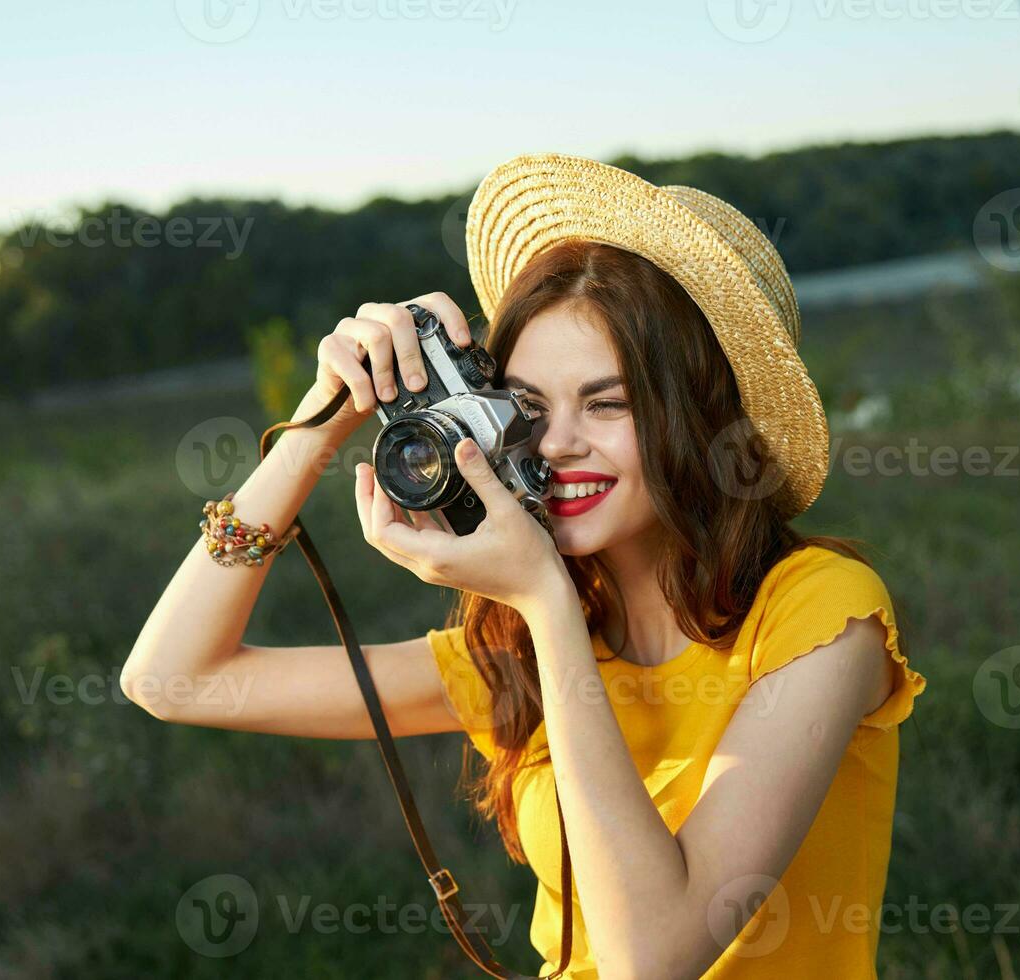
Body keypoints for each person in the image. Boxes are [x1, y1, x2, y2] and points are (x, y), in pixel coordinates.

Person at [122, 153, 926, 979]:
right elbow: (174, 678)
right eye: (528, 407)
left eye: (609, 403)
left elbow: (654, 957)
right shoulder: (517, 646)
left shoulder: (822, 616)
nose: (556, 443)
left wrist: (544, 600)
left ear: (702, 419)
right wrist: (317, 426)